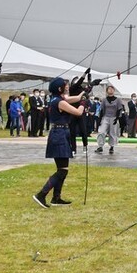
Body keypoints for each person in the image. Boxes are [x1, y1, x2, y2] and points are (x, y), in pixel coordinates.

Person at [32, 77, 86, 208]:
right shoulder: (60, 102)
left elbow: (75, 98)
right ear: (59, 88)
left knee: (62, 169)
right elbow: (78, 112)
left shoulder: (57, 99)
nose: (67, 87)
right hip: (59, 135)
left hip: (60, 133)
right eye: (65, 85)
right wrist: (84, 104)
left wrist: (84, 92)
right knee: (62, 171)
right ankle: (41, 194)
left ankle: (56, 198)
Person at [94, 85, 125, 155]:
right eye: (109, 89)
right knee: (101, 131)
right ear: (107, 91)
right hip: (105, 117)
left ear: (114, 90)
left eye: (112, 89)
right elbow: (101, 110)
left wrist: (117, 118)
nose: (110, 90)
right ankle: (100, 146)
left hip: (114, 117)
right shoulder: (104, 100)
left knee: (112, 133)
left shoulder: (118, 100)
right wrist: (100, 119)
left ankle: (112, 146)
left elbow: (120, 109)